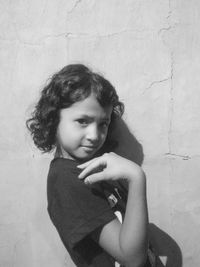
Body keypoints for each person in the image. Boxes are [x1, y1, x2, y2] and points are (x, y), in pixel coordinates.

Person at [26, 64, 156, 267]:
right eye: (82, 121)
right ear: (54, 119)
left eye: (103, 123)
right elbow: (132, 259)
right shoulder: (68, 180)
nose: (95, 136)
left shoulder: (94, 166)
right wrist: (137, 177)